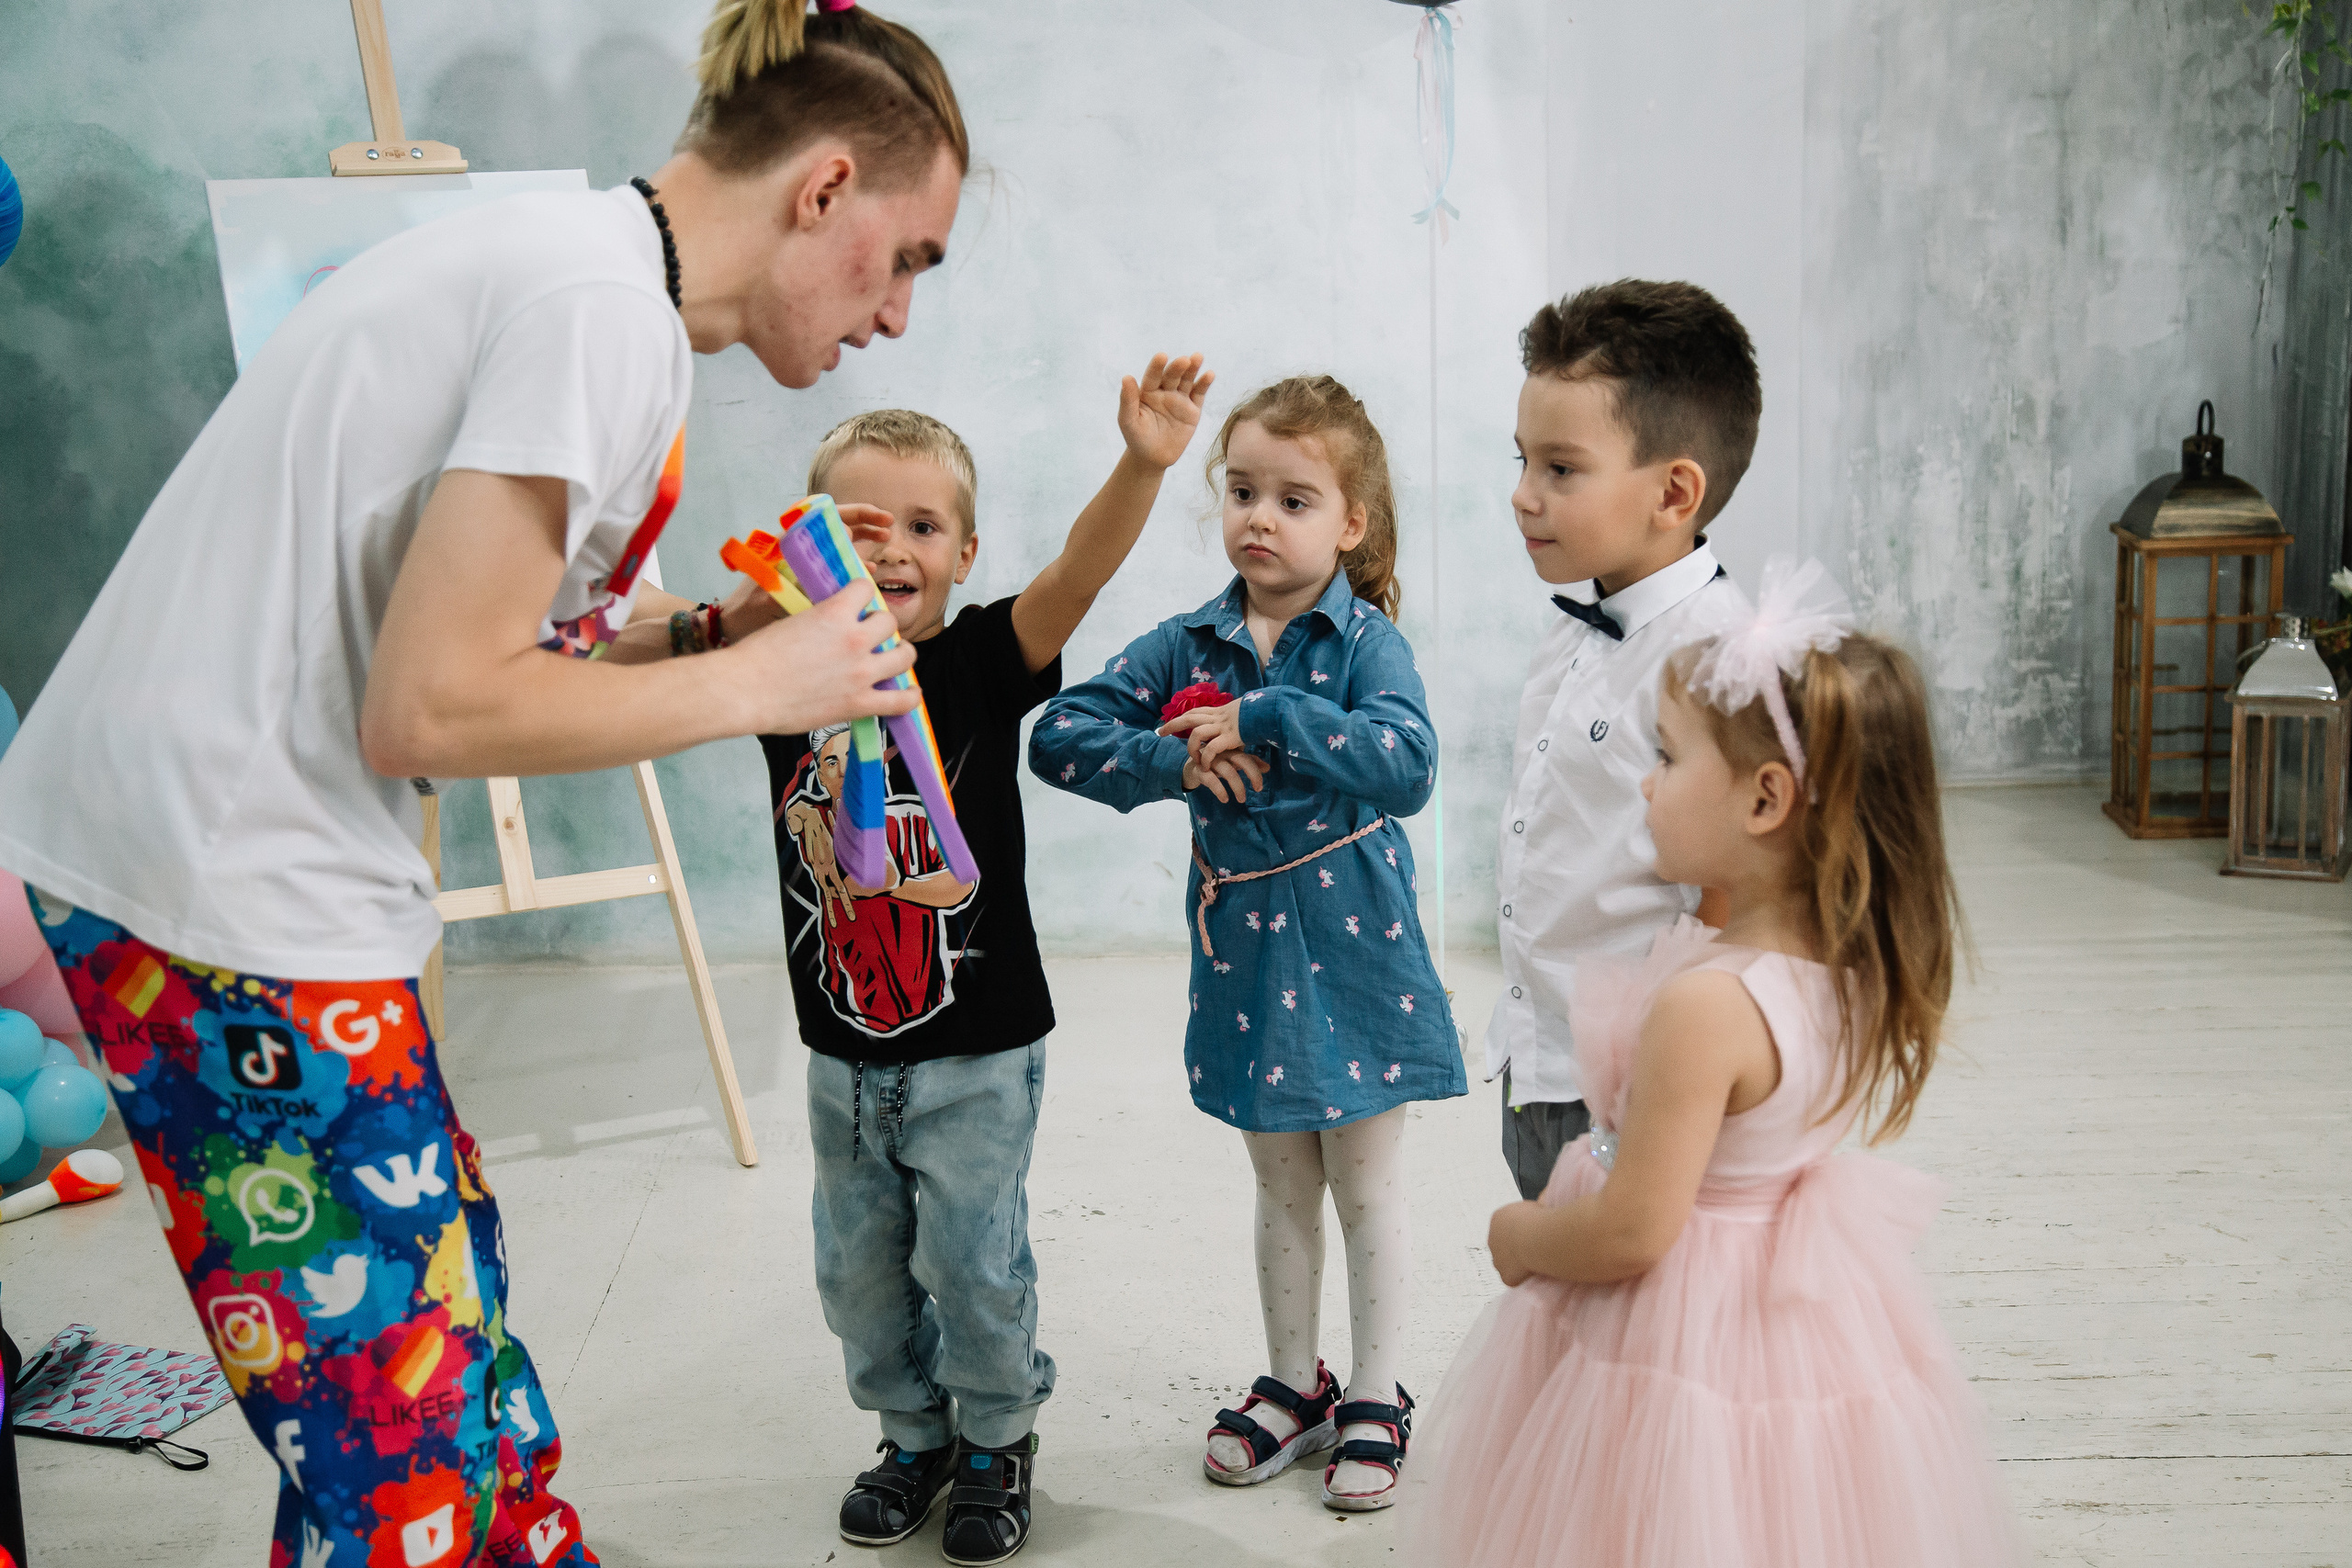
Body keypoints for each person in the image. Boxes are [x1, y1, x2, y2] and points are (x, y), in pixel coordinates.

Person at [0, 4, 967, 1562]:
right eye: (908, 256)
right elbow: (433, 701)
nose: (900, 314)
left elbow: (494, 624)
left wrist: (711, 632)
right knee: (403, 1453)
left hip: (229, 860)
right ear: (826, 187)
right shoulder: (599, 314)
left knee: (462, 1356)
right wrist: (760, 686)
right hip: (220, 876)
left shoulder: (581, 272)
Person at [1408, 561, 2021, 1566]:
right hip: (1782, 1326)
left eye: (1668, 756)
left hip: (1673, 1334)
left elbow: (1634, 1229)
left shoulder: (1708, 1007)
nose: (1646, 783)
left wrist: (1519, 1234)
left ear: (1766, 799)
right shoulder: (1846, 975)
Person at [757, 356, 1213, 1564]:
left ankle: (998, 1437)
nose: (893, 549)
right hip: (842, 1053)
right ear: (814, 548)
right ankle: (913, 1434)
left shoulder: (971, 663)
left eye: (923, 527)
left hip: (979, 1053)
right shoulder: (781, 675)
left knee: (972, 1263)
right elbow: (660, 636)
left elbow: (1076, 575)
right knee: (856, 1275)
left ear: (963, 555)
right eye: (861, 527)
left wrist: (1143, 464)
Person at [1029, 375, 1465, 1514]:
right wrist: (1173, 758)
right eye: (1241, 492)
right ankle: (1294, 1383)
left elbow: (1406, 764)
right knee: (1280, 1185)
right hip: (1247, 959)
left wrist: (1268, 717)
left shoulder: (1366, 644)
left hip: (1361, 954)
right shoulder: (1185, 644)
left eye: (1294, 499)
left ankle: (1374, 1392)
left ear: (1351, 523)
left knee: (1365, 1187)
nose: (1260, 518)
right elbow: (1059, 735)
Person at [1488, 279, 1758, 1204]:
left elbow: (1734, 895)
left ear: (1673, 492)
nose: (1522, 496)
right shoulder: (1573, 625)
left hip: (1633, 1082)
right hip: (1538, 1053)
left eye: (1560, 470)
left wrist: (1673, 1074)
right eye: (1523, 460)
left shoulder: (1716, 660)